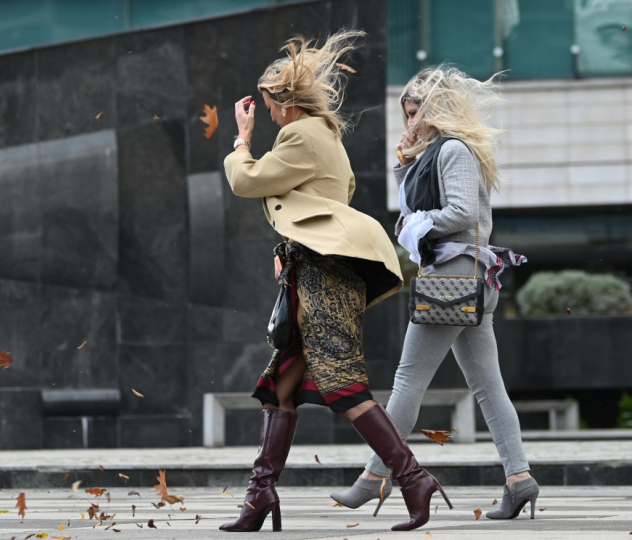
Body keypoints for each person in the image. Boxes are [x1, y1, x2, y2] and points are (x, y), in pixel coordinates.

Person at [220, 29, 451, 533]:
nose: (268, 114)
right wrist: (292, 247)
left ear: (283, 102)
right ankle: (260, 495)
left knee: (343, 384)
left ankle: (414, 478)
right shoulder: (326, 136)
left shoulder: (299, 135)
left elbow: (246, 180)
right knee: (280, 389)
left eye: (268, 106)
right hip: (317, 269)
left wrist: (241, 139)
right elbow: (330, 199)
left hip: (324, 277)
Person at [329, 65, 539, 521]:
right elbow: (415, 205)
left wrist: (417, 225)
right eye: (406, 114)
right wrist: (404, 166)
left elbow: (462, 213)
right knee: (489, 386)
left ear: (437, 110)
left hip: (454, 276)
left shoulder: (454, 150)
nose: (409, 123)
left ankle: (374, 476)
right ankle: (519, 479)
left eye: (414, 113)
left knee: (408, 380)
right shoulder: (437, 152)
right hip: (467, 278)